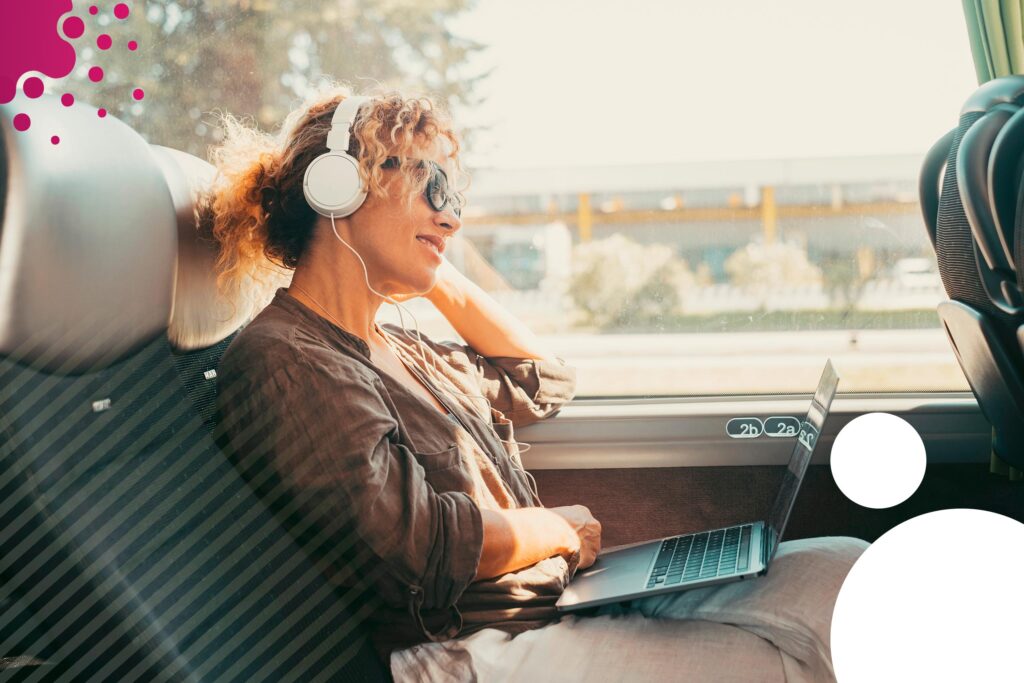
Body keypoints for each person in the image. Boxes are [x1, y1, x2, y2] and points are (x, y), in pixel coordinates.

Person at [207, 82, 869, 682]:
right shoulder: (288, 360)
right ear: (341, 185)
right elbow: (418, 543)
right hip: (468, 646)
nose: (452, 217)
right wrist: (555, 527)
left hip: (549, 602)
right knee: (793, 665)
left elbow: (541, 380)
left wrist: (431, 268)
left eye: (453, 197)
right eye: (432, 187)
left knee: (847, 573)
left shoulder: (399, 344)